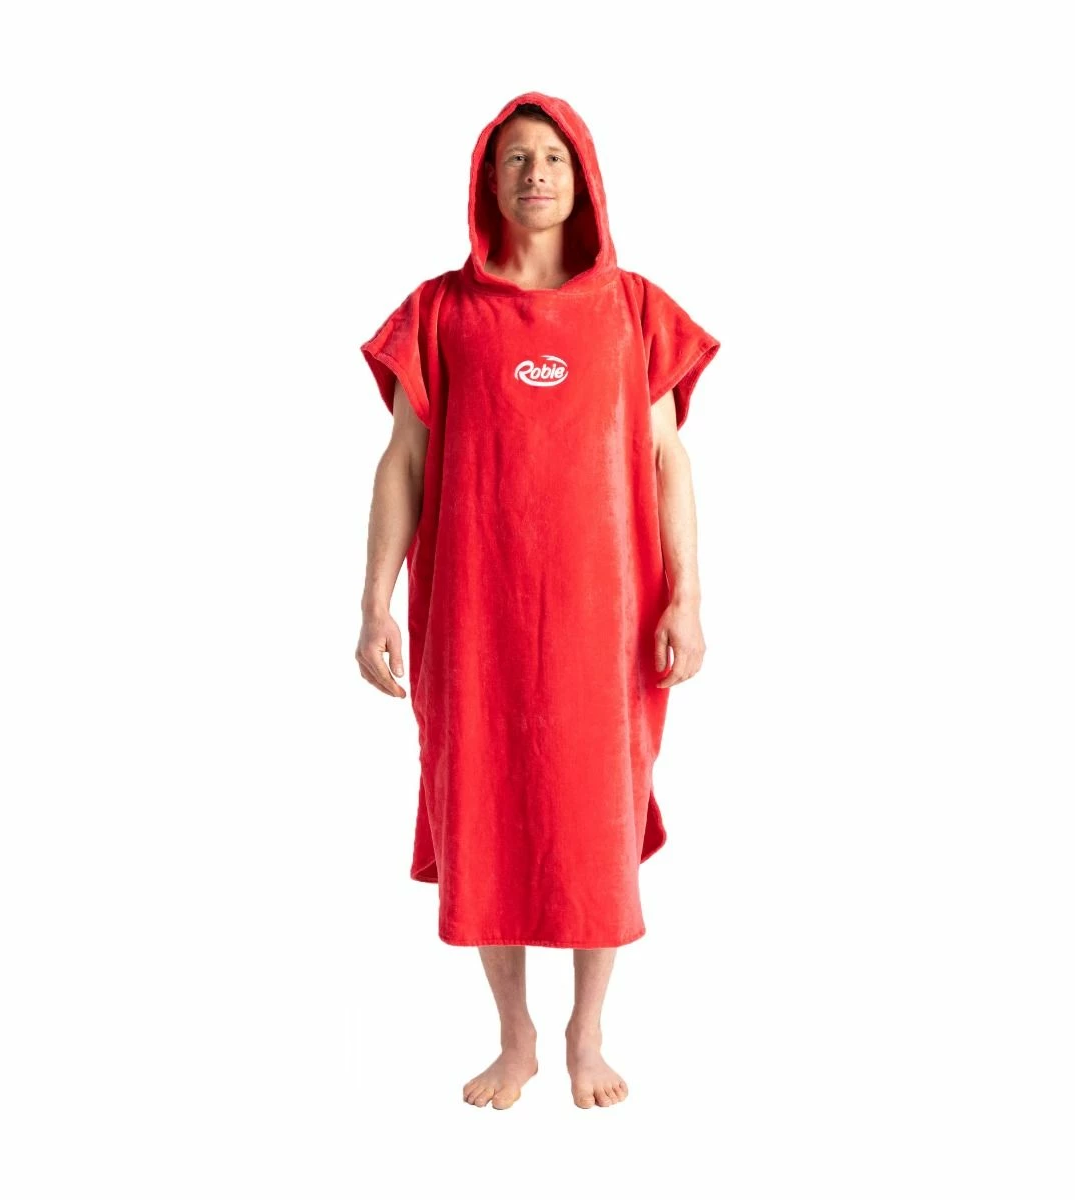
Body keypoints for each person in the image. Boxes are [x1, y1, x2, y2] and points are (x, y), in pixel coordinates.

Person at [356, 92, 720, 1109]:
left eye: (554, 158)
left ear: (584, 176)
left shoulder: (635, 310)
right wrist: (375, 604)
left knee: (596, 813)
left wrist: (687, 596)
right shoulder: (439, 311)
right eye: (516, 159)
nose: (536, 176)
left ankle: (586, 1035)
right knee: (484, 808)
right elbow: (404, 461)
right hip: (473, 615)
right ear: (489, 180)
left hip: (607, 621)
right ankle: (514, 1035)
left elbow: (666, 460)